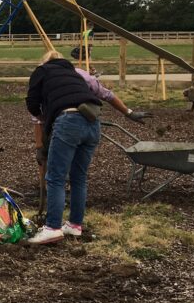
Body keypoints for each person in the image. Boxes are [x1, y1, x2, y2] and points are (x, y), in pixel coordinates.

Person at [26, 50, 148, 245]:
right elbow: (106, 94)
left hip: (67, 121)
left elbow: (32, 107)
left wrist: (42, 135)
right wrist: (128, 112)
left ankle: (52, 228)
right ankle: (74, 225)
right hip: (92, 122)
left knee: (56, 178)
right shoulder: (78, 73)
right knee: (79, 178)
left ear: (44, 63)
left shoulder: (41, 72)